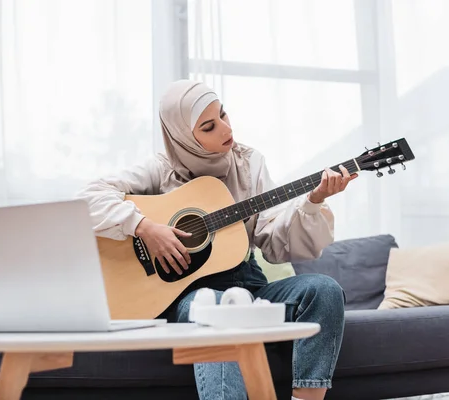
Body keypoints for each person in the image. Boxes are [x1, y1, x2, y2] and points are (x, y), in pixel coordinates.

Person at [77, 80, 358, 400]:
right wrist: (144, 227)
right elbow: (87, 198)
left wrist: (314, 200)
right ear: (182, 136)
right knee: (216, 308)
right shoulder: (161, 169)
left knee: (323, 289)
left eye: (224, 115)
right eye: (210, 126)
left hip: (248, 286)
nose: (226, 129)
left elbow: (274, 241)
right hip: (189, 297)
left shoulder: (249, 164)